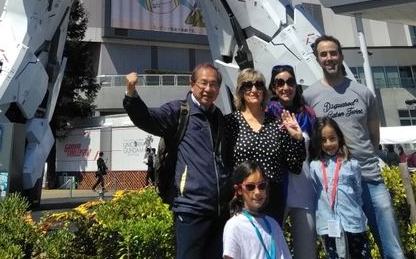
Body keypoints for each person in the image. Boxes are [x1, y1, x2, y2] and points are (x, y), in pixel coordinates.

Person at [303, 35, 405, 259]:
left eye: (333, 53)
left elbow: (373, 136)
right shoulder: (309, 96)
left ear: (340, 55)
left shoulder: (363, 92)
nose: (329, 58)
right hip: (334, 186)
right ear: (317, 59)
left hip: (369, 177)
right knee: (346, 250)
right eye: (323, 54)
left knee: (392, 246)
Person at [123, 64, 230, 259]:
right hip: (191, 208)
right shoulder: (179, 111)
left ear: (218, 89)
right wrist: (131, 94)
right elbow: (148, 119)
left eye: (213, 84)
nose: (208, 89)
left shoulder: (218, 117)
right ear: (192, 84)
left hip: (220, 210)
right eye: (203, 83)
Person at [224, 68, 306, 226]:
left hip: (271, 198)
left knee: (270, 247)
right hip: (241, 198)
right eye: (248, 85)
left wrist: (297, 138)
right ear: (240, 90)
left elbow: (294, 166)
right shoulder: (230, 123)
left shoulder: (276, 123)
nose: (254, 90)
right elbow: (223, 162)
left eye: (259, 85)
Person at [266, 63, 317, 259]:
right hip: (277, 193)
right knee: (272, 251)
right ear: (273, 87)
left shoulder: (308, 115)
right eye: (280, 82)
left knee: (307, 253)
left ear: (296, 85)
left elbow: (316, 151)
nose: (285, 87)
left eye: (290, 82)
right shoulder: (267, 115)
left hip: (305, 192)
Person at [310, 116, 372, 259]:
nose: (328, 143)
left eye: (332, 138)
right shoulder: (315, 167)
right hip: (328, 225)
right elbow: (314, 193)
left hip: (353, 222)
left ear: (339, 138)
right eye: (323, 140)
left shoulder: (351, 164)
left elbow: (358, 191)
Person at [223, 160, 292, 259]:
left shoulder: (273, 224)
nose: (257, 192)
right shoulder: (234, 225)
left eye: (262, 186)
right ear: (238, 190)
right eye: (250, 187)